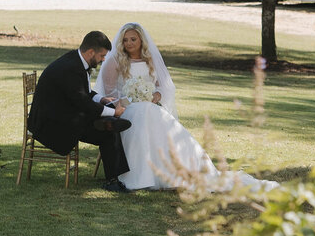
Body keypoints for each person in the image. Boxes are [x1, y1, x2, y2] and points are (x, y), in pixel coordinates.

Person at [95, 22, 217, 192]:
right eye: (125, 40)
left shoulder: (150, 59)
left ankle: (177, 171)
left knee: (150, 113)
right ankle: (138, 175)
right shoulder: (115, 61)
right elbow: (110, 94)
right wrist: (130, 99)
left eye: (133, 39)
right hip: (124, 109)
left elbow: (161, 86)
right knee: (142, 111)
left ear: (141, 40)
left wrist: (155, 95)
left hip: (150, 106)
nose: (129, 43)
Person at [27, 31, 133, 192]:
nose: (103, 59)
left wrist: (101, 100)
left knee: (107, 125)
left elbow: (85, 93)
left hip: (65, 114)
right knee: (108, 130)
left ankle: (111, 127)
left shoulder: (76, 61)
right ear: (91, 52)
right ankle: (113, 179)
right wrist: (113, 113)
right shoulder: (71, 68)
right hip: (51, 124)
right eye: (102, 56)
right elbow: (82, 102)